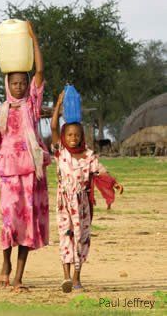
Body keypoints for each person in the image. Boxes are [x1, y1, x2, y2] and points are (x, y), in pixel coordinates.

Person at [0, 20, 50, 293]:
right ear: (7, 84)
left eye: (23, 82)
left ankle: (19, 276)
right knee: (10, 220)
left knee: (27, 225)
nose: (20, 86)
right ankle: (5, 265)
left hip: (31, 173)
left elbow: (40, 69)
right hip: (8, 174)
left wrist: (33, 37)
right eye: (15, 83)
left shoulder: (32, 106)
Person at [50, 89, 123, 293]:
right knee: (65, 236)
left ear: (82, 137)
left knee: (81, 239)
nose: (73, 138)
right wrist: (58, 104)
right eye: (70, 135)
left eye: (77, 135)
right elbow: (53, 126)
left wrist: (114, 183)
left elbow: (101, 172)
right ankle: (65, 277)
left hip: (82, 205)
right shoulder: (61, 153)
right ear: (64, 137)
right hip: (64, 202)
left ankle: (76, 278)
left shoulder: (89, 155)